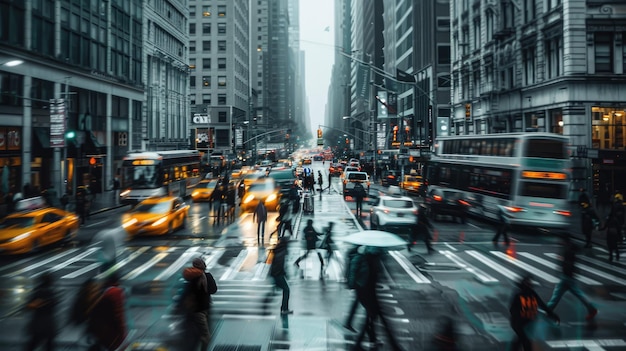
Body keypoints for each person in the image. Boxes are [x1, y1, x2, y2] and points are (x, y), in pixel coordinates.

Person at [349, 246, 404, 351]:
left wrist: (390, 281)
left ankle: (368, 342)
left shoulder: (375, 259)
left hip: (370, 293)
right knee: (376, 319)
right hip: (366, 293)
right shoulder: (364, 259)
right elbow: (357, 274)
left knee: (372, 319)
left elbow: (380, 273)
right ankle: (393, 345)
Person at [546, 235, 598, 321]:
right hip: (568, 275)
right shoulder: (569, 248)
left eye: (561, 240)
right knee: (559, 294)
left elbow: (567, 262)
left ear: (564, 241)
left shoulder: (567, 249)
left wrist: (562, 266)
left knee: (560, 294)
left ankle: (548, 310)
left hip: (567, 276)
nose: (559, 241)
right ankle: (548, 309)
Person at [509, 274, 559, 351]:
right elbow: (512, 309)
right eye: (527, 282)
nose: (529, 284)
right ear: (523, 283)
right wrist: (519, 318)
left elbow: (542, 305)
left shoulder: (532, 293)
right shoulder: (518, 295)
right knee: (525, 341)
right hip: (518, 323)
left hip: (528, 322)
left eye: (530, 282)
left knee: (520, 340)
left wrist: (553, 315)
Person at [181, 258, 218, 351]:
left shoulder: (190, 277)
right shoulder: (207, 276)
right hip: (202, 310)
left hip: (191, 310)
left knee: (193, 335)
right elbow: (213, 290)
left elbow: (186, 293)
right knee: (206, 336)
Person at [89, 272, 127, 351]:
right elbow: (118, 313)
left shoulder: (107, 292)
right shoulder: (117, 292)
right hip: (113, 329)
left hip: (105, 328)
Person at [24, 272, 58, 351]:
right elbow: (53, 304)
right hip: (48, 322)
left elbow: (29, 306)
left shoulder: (38, 291)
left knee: (33, 343)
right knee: (49, 345)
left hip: (38, 321)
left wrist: (36, 304)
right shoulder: (51, 291)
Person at [270, 238, 292, 315]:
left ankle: (265, 302)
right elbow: (280, 265)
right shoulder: (282, 252)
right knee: (286, 290)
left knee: (277, 289)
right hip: (278, 274)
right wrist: (284, 273)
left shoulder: (279, 250)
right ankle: (284, 309)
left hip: (275, 273)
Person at [603, 198, 622, 262]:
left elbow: (606, 224)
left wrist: (602, 228)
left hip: (611, 233)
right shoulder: (614, 218)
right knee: (614, 244)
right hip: (614, 233)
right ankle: (616, 255)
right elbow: (618, 227)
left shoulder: (610, 218)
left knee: (610, 245)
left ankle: (612, 256)